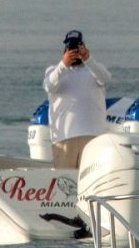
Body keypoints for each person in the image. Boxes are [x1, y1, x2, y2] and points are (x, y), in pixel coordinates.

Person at [42, 29, 111, 169]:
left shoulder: (95, 70)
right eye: (70, 47)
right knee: (65, 183)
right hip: (64, 139)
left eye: (78, 47)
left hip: (93, 137)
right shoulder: (54, 71)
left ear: (84, 46)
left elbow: (105, 79)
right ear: (64, 50)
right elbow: (48, 86)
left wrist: (88, 59)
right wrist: (63, 65)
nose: (74, 51)